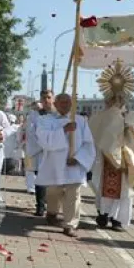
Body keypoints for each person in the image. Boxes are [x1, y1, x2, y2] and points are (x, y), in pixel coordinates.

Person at [88, 63, 134, 231]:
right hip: (105, 159)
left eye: (119, 98)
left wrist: (129, 128)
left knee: (124, 191)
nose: (116, 101)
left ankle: (117, 219)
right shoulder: (99, 117)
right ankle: (103, 213)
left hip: (127, 159)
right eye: (112, 98)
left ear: (125, 99)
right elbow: (95, 136)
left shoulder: (132, 116)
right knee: (102, 187)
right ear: (106, 99)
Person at [35, 94, 95, 237]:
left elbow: (88, 144)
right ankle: (52, 212)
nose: (64, 105)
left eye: (67, 102)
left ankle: (70, 224)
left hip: (74, 164)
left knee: (73, 193)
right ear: (55, 104)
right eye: (61, 102)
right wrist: (63, 130)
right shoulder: (45, 120)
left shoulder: (81, 121)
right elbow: (43, 139)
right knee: (53, 191)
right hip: (54, 164)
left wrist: (79, 158)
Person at [26, 91, 55, 215]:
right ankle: (40, 206)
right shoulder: (34, 114)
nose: (46, 100)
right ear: (41, 100)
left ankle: (52, 206)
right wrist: (42, 142)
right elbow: (30, 130)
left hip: (54, 151)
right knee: (40, 179)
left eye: (49, 97)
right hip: (40, 150)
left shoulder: (57, 113)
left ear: (53, 98)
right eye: (44, 98)